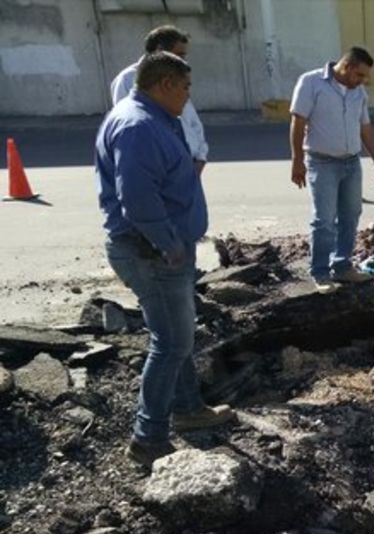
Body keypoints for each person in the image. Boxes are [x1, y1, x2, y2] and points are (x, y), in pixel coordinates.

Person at [96, 52, 234, 468]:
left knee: (178, 336)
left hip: (162, 248)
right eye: (186, 87)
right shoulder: (138, 126)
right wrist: (168, 243)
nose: (189, 96)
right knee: (171, 343)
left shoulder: (152, 117)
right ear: (164, 84)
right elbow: (136, 198)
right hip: (152, 252)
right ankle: (148, 437)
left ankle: (188, 407)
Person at [290, 46, 374, 292]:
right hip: (322, 162)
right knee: (324, 220)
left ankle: (342, 267)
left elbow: (365, 127)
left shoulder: (358, 92)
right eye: (360, 75)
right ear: (347, 67)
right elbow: (298, 121)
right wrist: (297, 160)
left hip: (351, 163)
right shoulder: (311, 83)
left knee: (350, 215)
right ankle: (320, 272)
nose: (363, 81)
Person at [110, 25, 208, 175]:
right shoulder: (127, 80)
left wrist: (200, 158)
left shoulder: (178, 78)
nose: (184, 61)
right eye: (179, 55)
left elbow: (192, 123)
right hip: (160, 169)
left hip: (188, 166)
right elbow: (129, 131)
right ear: (159, 50)